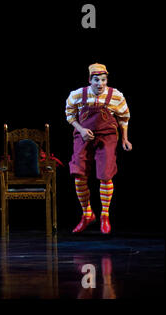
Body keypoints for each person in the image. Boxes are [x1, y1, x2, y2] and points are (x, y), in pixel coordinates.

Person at [65, 63, 132, 234]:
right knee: (78, 172)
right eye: (96, 80)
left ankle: (104, 215)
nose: (100, 84)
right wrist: (81, 130)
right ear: (90, 80)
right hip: (83, 134)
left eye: (103, 80)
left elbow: (124, 118)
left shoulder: (116, 96)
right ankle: (87, 214)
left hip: (107, 135)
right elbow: (70, 115)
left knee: (105, 174)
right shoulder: (78, 95)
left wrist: (125, 138)